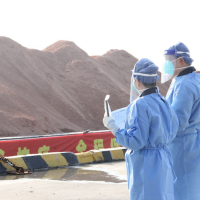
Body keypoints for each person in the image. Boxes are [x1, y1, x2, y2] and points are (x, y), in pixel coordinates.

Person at [103, 58, 179, 200]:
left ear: (137, 81)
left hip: (146, 164)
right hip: (163, 159)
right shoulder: (164, 102)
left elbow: (136, 141)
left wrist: (113, 126)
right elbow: (173, 129)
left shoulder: (140, 105)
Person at [163, 42, 200, 200]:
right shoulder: (186, 79)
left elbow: (177, 122)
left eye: (168, 60)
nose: (166, 64)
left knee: (183, 187)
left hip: (182, 143)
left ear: (181, 60)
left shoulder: (184, 84)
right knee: (190, 183)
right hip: (190, 142)